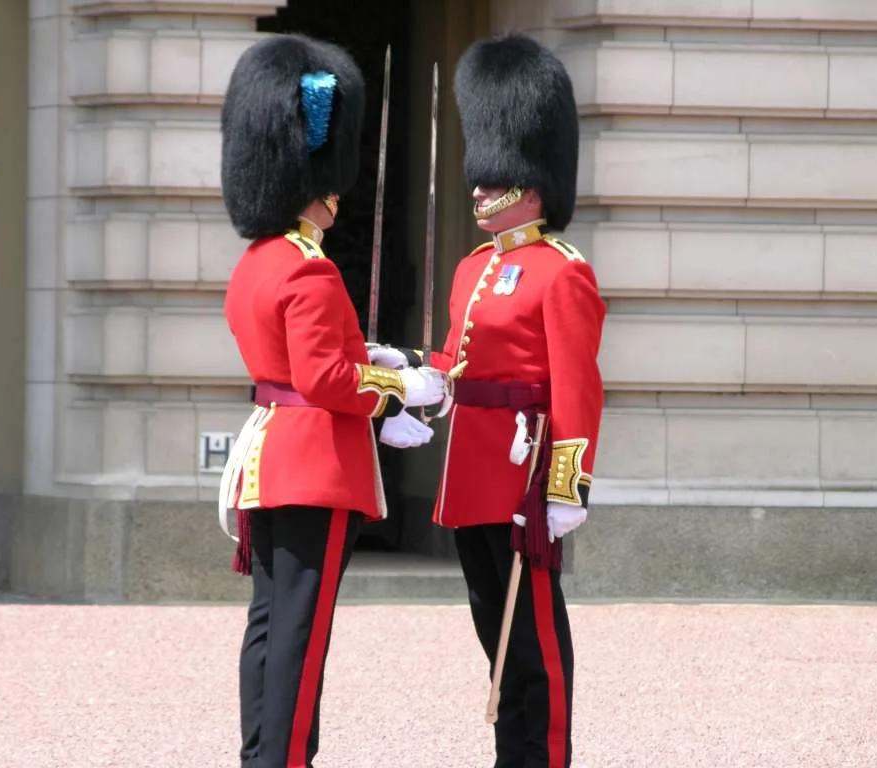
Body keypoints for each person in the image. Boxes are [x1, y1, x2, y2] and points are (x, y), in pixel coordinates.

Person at [217, 34, 447, 768]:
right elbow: (322, 380)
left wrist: (369, 359)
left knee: (270, 622)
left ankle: (261, 755)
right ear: (311, 184)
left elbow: (297, 362)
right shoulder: (310, 270)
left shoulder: (257, 264)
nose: (337, 197)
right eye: (330, 185)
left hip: (271, 457)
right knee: (302, 631)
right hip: (317, 464)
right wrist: (399, 392)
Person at [428, 33, 607, 768]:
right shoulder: (472, 268)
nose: (478, 191)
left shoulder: (561, 271)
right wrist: (408, 375)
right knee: (492, 630)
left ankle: (544, 756)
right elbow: (455, 359)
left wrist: (567, 483)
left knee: (533, 638)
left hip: (523, 472)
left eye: (493, 180)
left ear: (530, 188)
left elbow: (578, 383)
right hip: (470, 470)